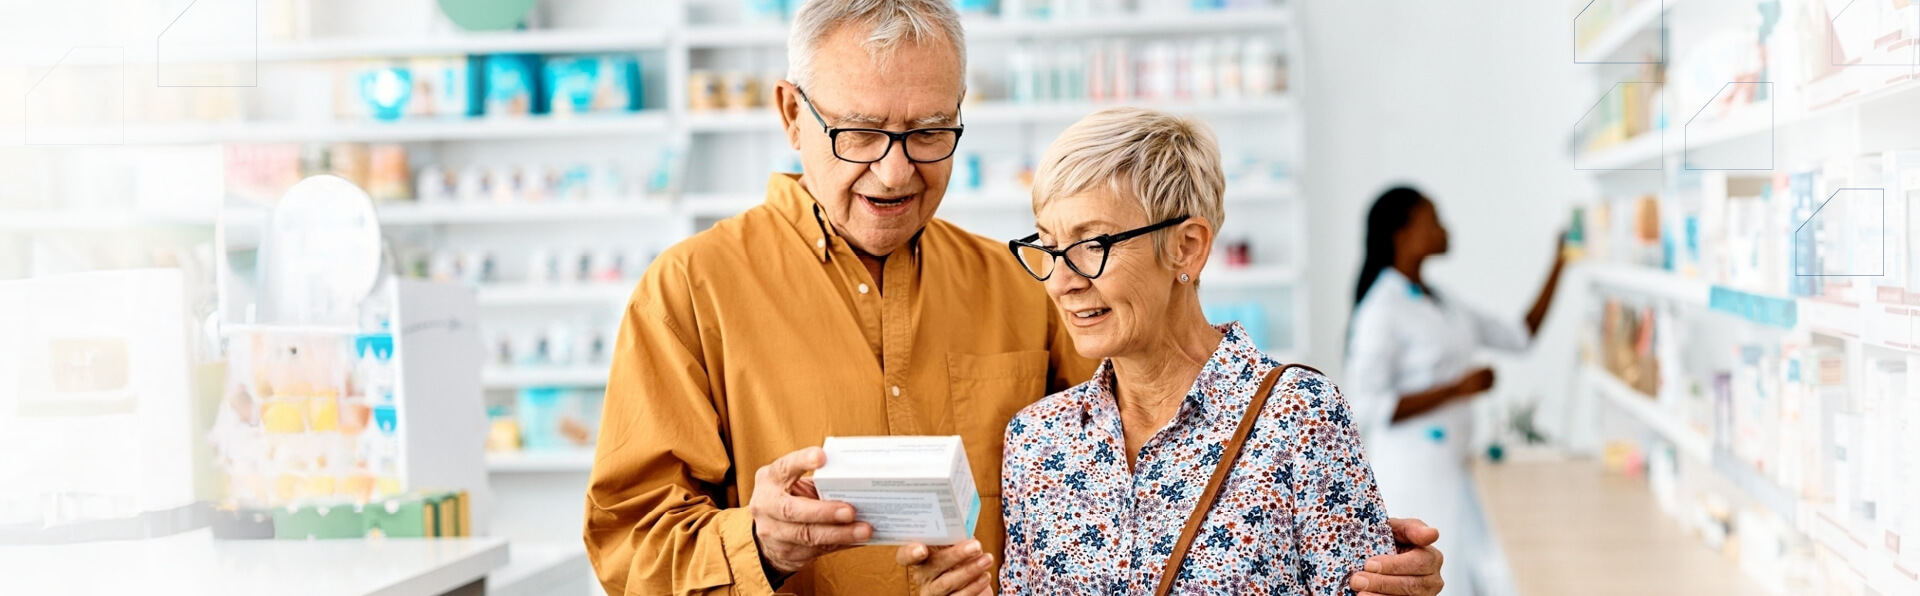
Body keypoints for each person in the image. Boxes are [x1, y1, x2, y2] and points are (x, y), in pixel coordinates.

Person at [583, 0, 1446, 594]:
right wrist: (758, 544)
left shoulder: (1020, 281)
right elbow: (628, 545)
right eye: (860, 134)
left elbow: (1148, 463)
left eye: (929, 134)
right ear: (790, 113)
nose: (895, 171)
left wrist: (1349, 548)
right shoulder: (690, 292)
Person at [976, 107, 1392, 595]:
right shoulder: (1036, 442)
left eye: (1091, 244)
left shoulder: (1300, 416)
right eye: (1048, 247)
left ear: (1187, 247)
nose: (1063, 282)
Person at [1343, 186, 1567, 596]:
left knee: (1471, 574)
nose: (1445, 228)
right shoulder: (1381, 308)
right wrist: (1455, 388)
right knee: (1437, 577)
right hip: (1413, 471)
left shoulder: (1440, 300)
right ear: (1403, 232)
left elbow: (1520, 336)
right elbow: (1366, 406)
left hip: (1453, 465)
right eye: (1434, 219)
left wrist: (1561, 263)